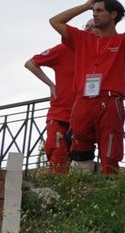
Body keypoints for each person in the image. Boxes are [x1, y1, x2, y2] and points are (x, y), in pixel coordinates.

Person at [48, 0, 125, 174]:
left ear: (113, 14)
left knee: (110, 151)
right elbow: (55, 21)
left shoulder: (123, 41)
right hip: (83, 101)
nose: (95, 15)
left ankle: (110, 190)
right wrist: (85, 6)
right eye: (94, 11)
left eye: (99, 11)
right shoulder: (83, 38)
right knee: (79, 150)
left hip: (109, 100)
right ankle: (82, 189)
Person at [24, 14, 108, 174]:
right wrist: (51, 85)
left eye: (94, 27)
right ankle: (58, 185)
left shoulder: (102, 53)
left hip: (86, 114)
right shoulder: (64, 49)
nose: (89, 29)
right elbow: (30, 63)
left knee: (83, 158)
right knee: (55, 149)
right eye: (86, 27)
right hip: (61, 112)